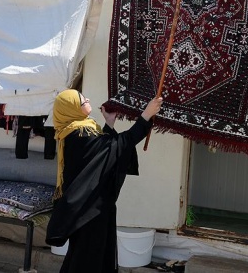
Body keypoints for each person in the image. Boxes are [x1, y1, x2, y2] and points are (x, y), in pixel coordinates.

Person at [45, 89, 163, 273]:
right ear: (72, 107)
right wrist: (146, 115)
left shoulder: (74, 131)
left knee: (84, 256)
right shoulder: (80, 133)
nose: (88, 99)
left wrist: (109, 123)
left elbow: (102, 152)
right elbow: (116, 148)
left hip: (88, 208)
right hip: (90, 212)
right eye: (83, 100)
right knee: (89, 260)